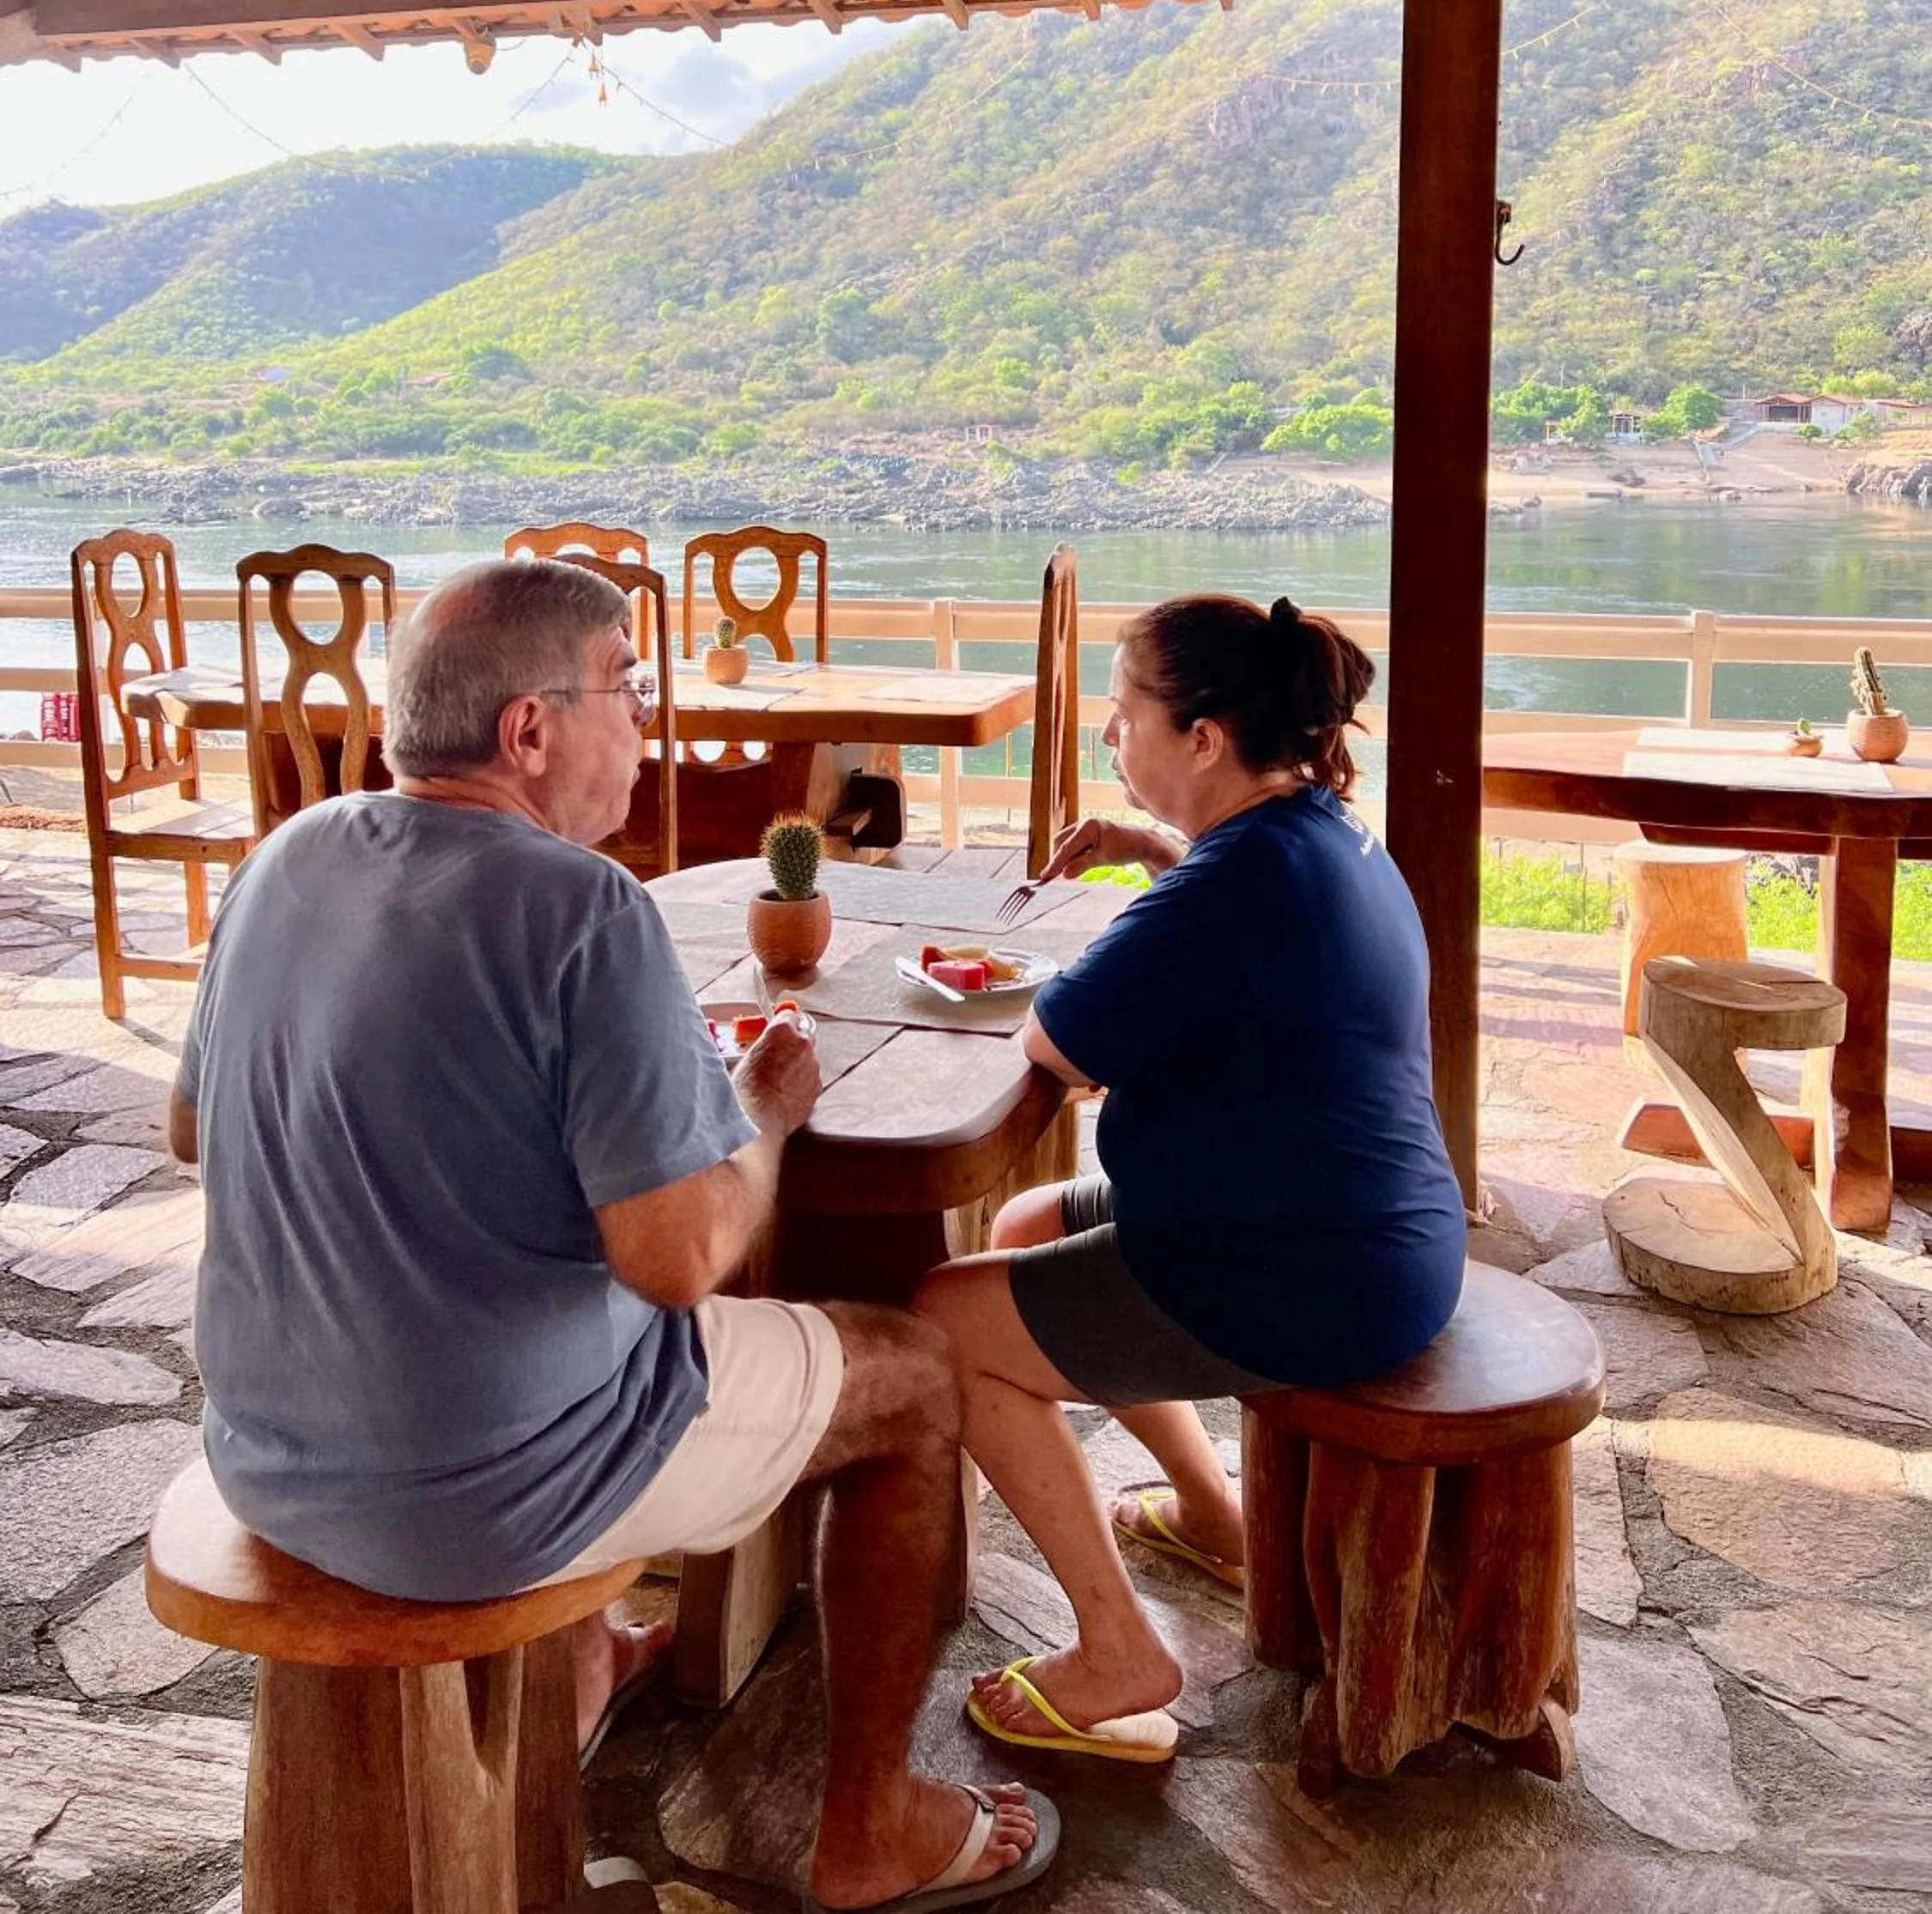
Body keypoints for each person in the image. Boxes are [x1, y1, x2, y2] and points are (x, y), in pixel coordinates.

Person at [168, 557, 1054, 1913]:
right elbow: (678, 1259)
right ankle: (869, 1825)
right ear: (529, 731)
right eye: (627, 689)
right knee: (911, 1375)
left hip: (268, 1448)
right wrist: (759, 1113)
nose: (647, 721)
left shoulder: (289, 855)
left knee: (533, 1298)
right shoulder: (582, 909)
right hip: (470, 1501)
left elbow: (191, 1131)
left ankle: (586, 1659)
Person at [914, 592, 1466, 1763]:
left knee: (942, 1325)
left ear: (1203, 738)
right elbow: (1239, 942)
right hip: (1346, 1221)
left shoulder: (1227, 890)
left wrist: (1154, 897)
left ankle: (1116, 1647)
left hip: (1306, 1268)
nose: (1111, 739)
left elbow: (1052, 1049)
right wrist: (1155, 851)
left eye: (1123, 716)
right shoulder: (1311, 830)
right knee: (1024, 1224)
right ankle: (1215, 1517)